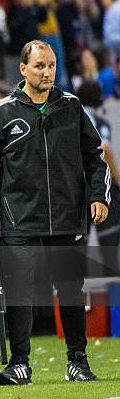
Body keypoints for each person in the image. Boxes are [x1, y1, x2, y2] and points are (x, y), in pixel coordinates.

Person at [0, 40, 110, 386]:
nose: (46, 72)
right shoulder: (2, 111)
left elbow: (96, 156)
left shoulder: (72, 107)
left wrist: (99, 196)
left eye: (50, 66)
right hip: (20, 218)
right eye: (39, 66)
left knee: (71, 291)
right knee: (19, 291)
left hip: (67, 216)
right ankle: (19, 364)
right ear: (23, 69)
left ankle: (77, 361)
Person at [77, 80, 120, 274]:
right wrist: (116, 178)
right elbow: (104, 147)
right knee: (109, 244)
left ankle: (81, 300)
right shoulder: (98, 121)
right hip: (97, 185)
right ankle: (114, 300)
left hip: (76, 187)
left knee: (79, 246)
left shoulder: (72, 118)